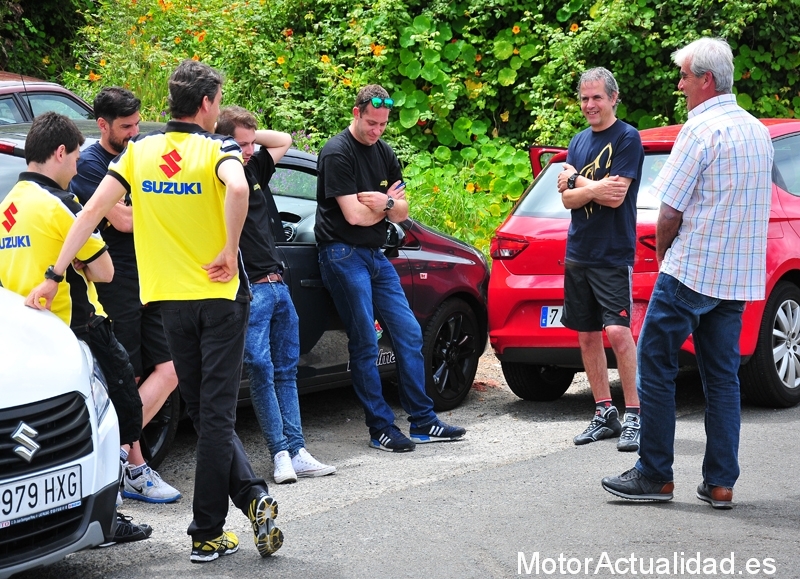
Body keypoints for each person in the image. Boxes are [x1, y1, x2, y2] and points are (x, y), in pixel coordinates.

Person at [25, 60, 283, 562]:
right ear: (208, 104)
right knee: (215, 414)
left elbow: (90, 213)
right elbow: (236, 187)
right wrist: (230, 250)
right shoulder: (217, 148)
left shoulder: (140, 151)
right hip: (222, 299)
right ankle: (206, 533)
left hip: (169, 303)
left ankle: (251, 499)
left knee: (208, 411)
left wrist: (54, 274)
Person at [601, 37, 774, 508]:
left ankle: (654, 473)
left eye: (684, 76)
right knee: (722, 377)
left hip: (692, 270)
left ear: (706, 80)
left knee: (654, 366)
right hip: (737, 277)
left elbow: (670, 212)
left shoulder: (699, 132)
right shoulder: (758, 131)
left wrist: (663, 260)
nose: (679, 85)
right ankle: (720, 483)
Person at [0, 111, 152, 545]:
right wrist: (81, 262)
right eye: (75, 159)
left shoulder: (5, 208)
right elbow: (105, 271)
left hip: (24, 334)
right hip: (76, 328)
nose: (76, 169)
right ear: (60, 152)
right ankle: (109, 514)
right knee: (119, 413)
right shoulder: (61, 204)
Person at [314, 84, 466, 452]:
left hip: (375, 255)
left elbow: (402, 210)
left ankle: (423, 422)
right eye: (370, 122)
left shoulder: (385, 153)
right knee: (365, 340)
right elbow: (351, 215)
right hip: (341, 254)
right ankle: (380, 427)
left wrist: (382, 204)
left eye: (382, 124)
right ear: (355, 113)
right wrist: (386, 205)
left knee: (410, 333)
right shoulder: (337, 153)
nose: (376, 130)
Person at [70, 86, 181, 503]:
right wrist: (170, 207)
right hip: (115, 283)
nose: (135, 133)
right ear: (103, 125)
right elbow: (120, 220)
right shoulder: (91, 164)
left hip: (152, 277)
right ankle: (133, 467)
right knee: (128, 377)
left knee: (171, 370)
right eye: (126, 127)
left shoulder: (141, 155)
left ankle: (117, 457)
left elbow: (141, 215)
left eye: (137, 124)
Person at [216, 105, 336, 484]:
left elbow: (283, 141)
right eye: (242, 144)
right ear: (221, 144)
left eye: (252, 143)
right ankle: (280, 454)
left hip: (278, 283)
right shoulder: (219, 182)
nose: (250, 150)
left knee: (287, 371)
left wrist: (246, 137)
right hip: (251, 290)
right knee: (262, 371)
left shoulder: (252, 168)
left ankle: (298, 450)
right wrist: (225, 142)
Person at [556, 67, 644, 452]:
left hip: (612, 253)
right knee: (587, 334)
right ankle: (604, 412)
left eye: (597, 97)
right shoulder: (578, 142)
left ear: (613, 98)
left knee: (618, 334)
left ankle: (635, 416)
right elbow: (566, 200)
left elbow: (616, 197)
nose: (590, 105)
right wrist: (584, 188)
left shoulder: (628, 138)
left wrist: (578, 182)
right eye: (584, 98)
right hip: (578, 252)